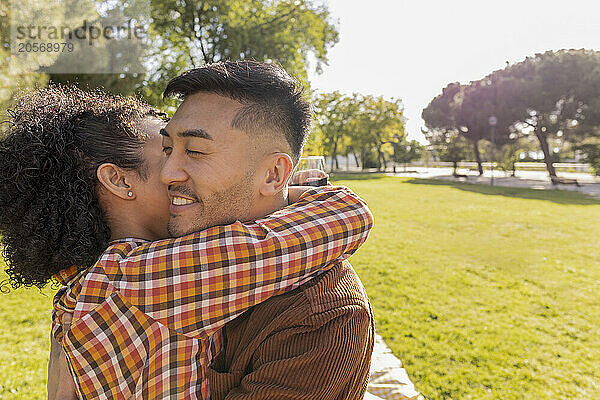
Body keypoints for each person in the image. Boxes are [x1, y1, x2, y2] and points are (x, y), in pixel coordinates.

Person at [0, 74, 373, 399]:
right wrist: (308, 196)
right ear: (117, 180)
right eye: (165, 151)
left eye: (192, 150)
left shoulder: (85, 284)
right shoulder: (144, 278)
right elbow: (330, 224)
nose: (171, 172)